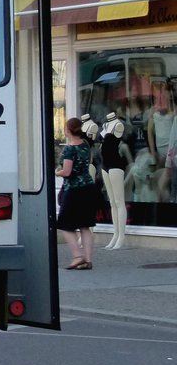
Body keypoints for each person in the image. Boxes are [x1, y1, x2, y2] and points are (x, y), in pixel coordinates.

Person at [56, 116, 98, 269]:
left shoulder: (69, 149)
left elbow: (67, 172)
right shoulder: (85, 144)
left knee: (65, 224)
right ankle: (88, 260)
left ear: (68, 130)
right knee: (85, 225)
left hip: (74, 189)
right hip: (88, 187)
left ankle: (77, 256)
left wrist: (57, 172)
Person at [100, 112, 130, 249]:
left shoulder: (118, 125)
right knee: (112, 201)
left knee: (119, 201)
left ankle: (121, 236)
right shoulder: (105, 125)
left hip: (115, 164)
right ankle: (115, 234)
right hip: (105, 165)